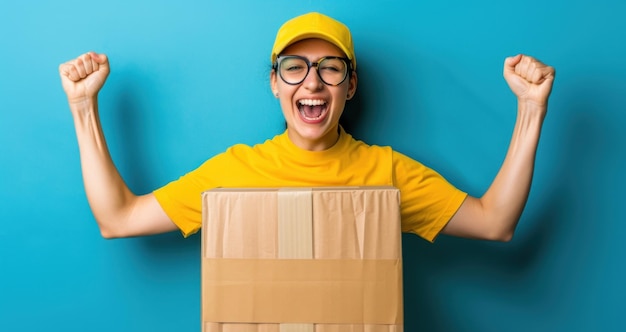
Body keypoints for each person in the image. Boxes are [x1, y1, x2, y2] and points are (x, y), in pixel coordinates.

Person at [58, 12, 555, 242]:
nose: (312, 82)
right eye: (295, 67)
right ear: (275, 83)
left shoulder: (387, 172)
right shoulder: (237, 172)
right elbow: (118, 219)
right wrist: (84, 108)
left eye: (330, 68)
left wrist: (531, 111)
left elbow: (495, 222)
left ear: (350, 85)